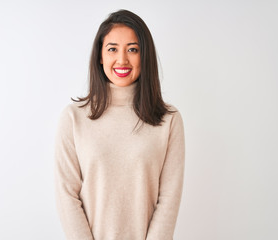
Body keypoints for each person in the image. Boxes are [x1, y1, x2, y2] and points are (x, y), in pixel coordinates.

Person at [54, 9, 185, 240]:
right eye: (112, 49)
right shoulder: (73, 118)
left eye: (132, 49)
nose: (122, 60)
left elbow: (169, 199)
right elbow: (67, 196)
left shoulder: (169, 120)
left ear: (145, 56)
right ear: (100, 56)